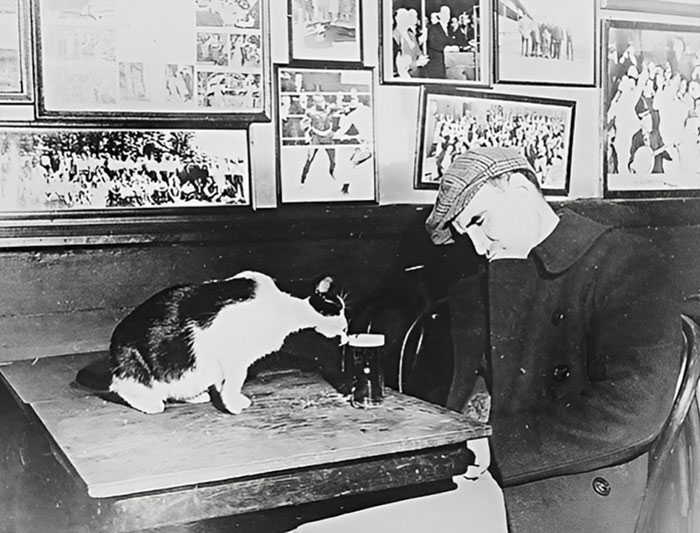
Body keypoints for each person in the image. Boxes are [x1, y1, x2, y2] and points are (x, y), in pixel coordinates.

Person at [424, 146, 682, 531]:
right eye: (466, 234)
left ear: (521, 189)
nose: (477, 246)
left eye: (479, 220)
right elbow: (468, 392)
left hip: (582, 488)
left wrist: (495, 447)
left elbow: (633, 409)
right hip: (496, 475)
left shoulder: (627, 261)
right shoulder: (482, 283)